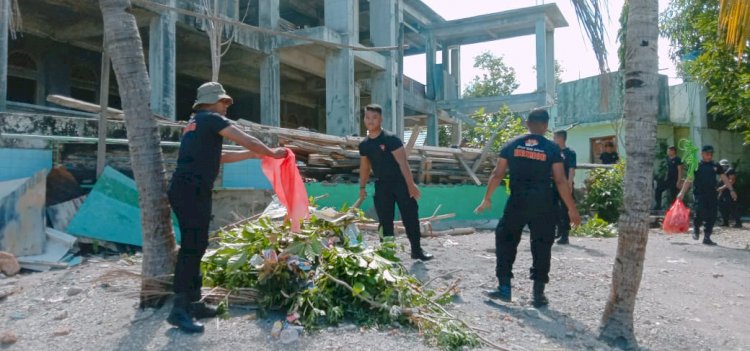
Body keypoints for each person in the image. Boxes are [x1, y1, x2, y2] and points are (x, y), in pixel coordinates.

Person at [167, 82, 287, 333]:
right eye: (223, 102)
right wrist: (271, 152)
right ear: (210, 101)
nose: (225, 107)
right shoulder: (211, 119)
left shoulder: (195, 124)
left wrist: (252, 155)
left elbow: (219, 157)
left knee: (198, 244)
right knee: (191, 247)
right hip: (191, 191)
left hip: (188, 190)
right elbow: (246, 138)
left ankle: (193, 302)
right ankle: (179, 310)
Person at [475, 108, 580, 307]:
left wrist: (486, 198)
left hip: (517, 201)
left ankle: (504, 288)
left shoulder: (512, 144)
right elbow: (560, 180)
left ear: (527, 124)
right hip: (543, 203)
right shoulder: (552, 148)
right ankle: (538, 295)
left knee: (506, 240)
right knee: (542, 245)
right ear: (546, 126)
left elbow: (497, 174)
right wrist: (571, 209)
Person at [357, 104, 433, 261]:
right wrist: (362, 186)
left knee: (410, 217)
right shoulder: (364, 145)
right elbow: (365, 166)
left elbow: (403, 163)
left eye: (374, 117)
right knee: (385, 221)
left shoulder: (391, 139)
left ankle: (416, 251)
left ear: (381, 119)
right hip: (382, 185)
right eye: (367, 117)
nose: (370, 121)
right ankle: (388, 253)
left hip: (401, 184)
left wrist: (411, 185)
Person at [677, 145, 736, 246]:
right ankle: (696, 228)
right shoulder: (696, 165)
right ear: (702, 154)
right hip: (699, 193)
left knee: (712, 215)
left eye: (711, 154)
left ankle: (707, 237)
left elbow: (724, 178)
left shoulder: (716, 165)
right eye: (707, 154)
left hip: (712, 194)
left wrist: (731, 190)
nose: (710, 156)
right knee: (700, 210)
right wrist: (682, 192)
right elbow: (688, 179)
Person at [552, 130, 576, 245]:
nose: (553, 139)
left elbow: (571, 169)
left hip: (565, 184)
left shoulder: (570, 152)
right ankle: (558, 230)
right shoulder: (553, 151)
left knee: (565, 210)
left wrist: (570, 183)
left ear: (560, 138)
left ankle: (565, 235)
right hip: (553, 184)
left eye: (554, 137)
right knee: (553, 208)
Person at [654, 146, 684, 211]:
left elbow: (680, 170)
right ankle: (658, 205)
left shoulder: (678, 159)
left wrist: (679, 181)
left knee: (673, 195)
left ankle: (675, 209)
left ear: (673, 151)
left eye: (669, 151)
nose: (668, 152)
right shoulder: (668, 159)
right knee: (658, 189)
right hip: (668, 180)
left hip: (675, 180)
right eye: (668, 151)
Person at [718, 159, 742, 228]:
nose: (722, 167)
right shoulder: (723, 172)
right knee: (722, 207)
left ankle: (738, 223)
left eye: (723, 166)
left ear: (726, 165)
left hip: (730, 192)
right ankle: (725, 222)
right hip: (724, 192)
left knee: (732, 207)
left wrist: (722, 188)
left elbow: (732, 181)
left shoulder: (730, 170)